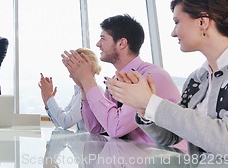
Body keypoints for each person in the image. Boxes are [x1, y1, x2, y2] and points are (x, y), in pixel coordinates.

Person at [106, 0, 228, 155]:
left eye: (177, 22)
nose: (173, 32)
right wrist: (144, 109)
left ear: (202, 22)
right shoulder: (197, 79)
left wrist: (151, 102)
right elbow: (171, 136)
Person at [63, 14, 181, 144]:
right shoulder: (116, 80)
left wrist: (87, 80)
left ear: (121, 43)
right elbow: (97, 128)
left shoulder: (152, 77)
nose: (98, 44)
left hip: (167, 159)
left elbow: (116, 127)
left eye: (103, 38)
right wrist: (84, 86)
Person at [39, 48, 101, 131]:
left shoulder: (92, 91)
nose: (70, 75)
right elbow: (59, 123)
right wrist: (47, 101)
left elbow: (66, 122)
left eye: (72, 70)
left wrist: (49, 97)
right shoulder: (79, 92)